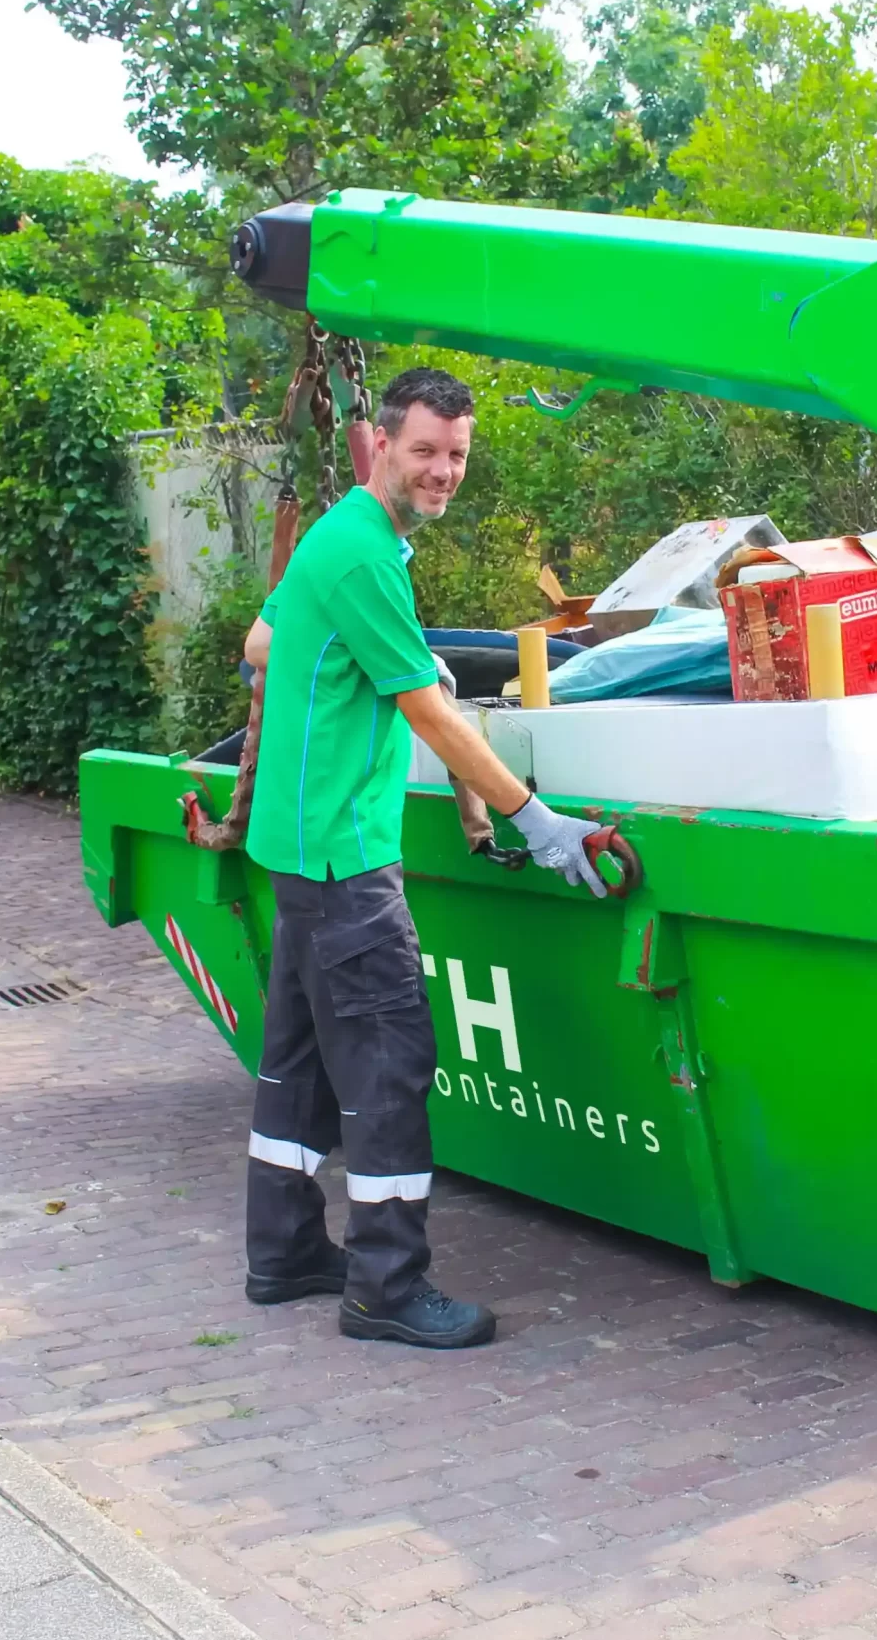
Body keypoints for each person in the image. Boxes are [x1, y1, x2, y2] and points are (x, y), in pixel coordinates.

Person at [235, 366, 604, 1350]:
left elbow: (262, 638)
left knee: (299, 1072)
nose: (443, 471)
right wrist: (536, 818)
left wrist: (387, 655)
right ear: (380, 447)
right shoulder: (364, 557)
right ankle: (386, 1287)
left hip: (300, 852)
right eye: (426, 452)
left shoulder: (345, 542)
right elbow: (431, 715)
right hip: (346, 862)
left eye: (456, 456)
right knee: (392, 1068)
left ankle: (281, 1254)